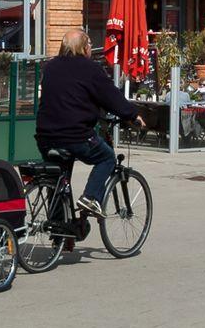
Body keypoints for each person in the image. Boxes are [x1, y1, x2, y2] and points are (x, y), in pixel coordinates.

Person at [35, 28, 143, 217]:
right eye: (90, 44)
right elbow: (111, 96)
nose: (91, 47)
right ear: (83, 48)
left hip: (45, 136)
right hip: (75, 136)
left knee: (58, 178)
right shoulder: (90, 68)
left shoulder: (50, 67)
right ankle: (91, 198)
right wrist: (133, 115)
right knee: (107, 157)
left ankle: (58, 227)